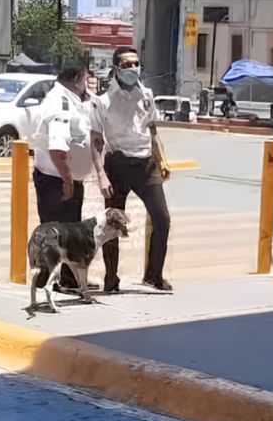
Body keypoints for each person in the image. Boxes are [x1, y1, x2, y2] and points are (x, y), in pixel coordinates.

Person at [90, 47, 173, 292]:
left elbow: (152, 130)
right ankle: (111, 278)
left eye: (136, 63)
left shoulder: (147, 95)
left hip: (146, 165)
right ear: (116, 68)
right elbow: (96, 141)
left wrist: (162, 159)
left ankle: (154, 275)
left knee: (162, 219)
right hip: (117, 165)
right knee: (112, 225)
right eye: (127, 65)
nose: (133, 69)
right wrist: (101, 176)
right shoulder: (102, 101)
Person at [30, 67, 94, 291]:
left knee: (68, 233)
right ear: (77, 78)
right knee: (55, 234)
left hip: (63, 177)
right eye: (86, 77)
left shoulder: (69, 99)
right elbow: (57, 148)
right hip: (57, 180)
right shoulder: (60, 103)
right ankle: (49, 282)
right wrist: (67, 180)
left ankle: (68, 278)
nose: (88, 82)